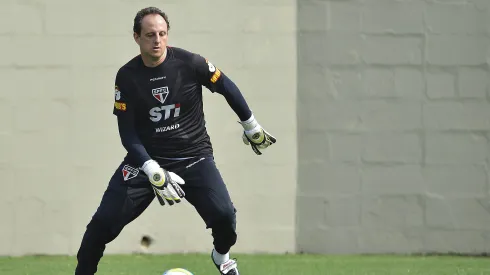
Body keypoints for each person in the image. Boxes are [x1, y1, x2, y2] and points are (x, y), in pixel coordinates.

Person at [74, 6, 276, 275]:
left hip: (194, 156)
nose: (157, 40)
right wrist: (150, 168)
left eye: (162, 33)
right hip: (146, 163)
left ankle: (222, 257)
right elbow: (127, 132)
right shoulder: (127, 76)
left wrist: (251, 125)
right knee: (102, 225)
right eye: (149, 35)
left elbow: (226, 86)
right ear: (136, 37)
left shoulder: (190, 64)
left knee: (225, 216)